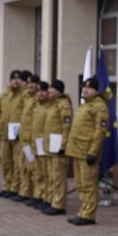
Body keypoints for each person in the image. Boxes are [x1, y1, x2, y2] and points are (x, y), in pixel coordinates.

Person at [65, 77, 110, 225]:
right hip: (77, 151)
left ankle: (89, 214)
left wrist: (93, 152)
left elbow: (99, 131)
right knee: (80, 184)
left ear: (96, 91)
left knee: (88, 184)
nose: (85, 90)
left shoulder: (99, 106)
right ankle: (83, 210)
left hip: (87, 152)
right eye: (83, 87)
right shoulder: (85, 105)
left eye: (89, 88)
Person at [42, 79, 72, 215]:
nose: (48, 91)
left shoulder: (64, 105)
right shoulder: (52, 105)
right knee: (52, 176)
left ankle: (59, 204)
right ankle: (52, 200)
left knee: (58, 176)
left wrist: (63, 145)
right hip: (50, 146)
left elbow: (66, 127)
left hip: (58, 146)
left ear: (58, 91)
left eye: (51, 88)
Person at [0, 70, 23, 198]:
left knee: (17, 161)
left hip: (18, 133)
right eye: (13, 79)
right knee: (6, 161)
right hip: (5, 132)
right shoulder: (4, 96)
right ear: (10, 80)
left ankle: (15, 187)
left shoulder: (24, 95)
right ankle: (7, 185)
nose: (16, 81)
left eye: (18, 79)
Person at [6, 70, 31, 201]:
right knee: (17, 163)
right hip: (16, 132)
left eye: (20, 80)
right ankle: (19, 188)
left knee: (26, 163)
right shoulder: (14, 94)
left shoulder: (27, 95)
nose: (18, 82)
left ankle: (26, 190)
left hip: (26, 135)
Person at [18, 74, 40, 205]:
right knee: (24, 166)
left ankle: (37, 195)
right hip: (24, 137)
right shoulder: (26, 97)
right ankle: (27, 192)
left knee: (35, 168)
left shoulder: (39, 98)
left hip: (34, 138)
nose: (30, 85)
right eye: (29, 83)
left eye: (33, 83)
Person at [31, 82, 51, 211]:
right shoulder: (36, 106)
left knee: (47, 174)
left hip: (46, 144)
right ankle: (40, 195)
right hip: (36, 142)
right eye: (38, 91)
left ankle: (47, 197)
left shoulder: (50, 106)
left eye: (43, 91)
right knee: (38, 173)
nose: (40, 93)